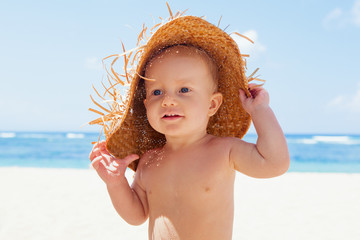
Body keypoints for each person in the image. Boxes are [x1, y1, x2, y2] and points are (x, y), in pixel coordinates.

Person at [89, 10, 289, 240]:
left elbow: (276, 163)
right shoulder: (149, 161)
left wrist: (260, 111)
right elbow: (136, 215)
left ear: (212, 104)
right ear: (146, 105)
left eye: (184, 89)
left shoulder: (225, 150)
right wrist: (115, 183)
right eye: (157, 92)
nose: (168, 99)